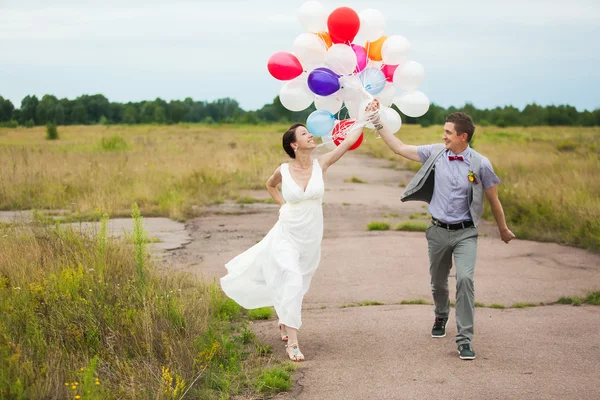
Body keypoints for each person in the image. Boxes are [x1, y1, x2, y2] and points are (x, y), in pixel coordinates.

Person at [369, 101, 515, 360]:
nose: (443, 135)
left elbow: (494, 199)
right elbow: (400, 148)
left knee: (465, 280)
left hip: (465, 233)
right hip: (437, 231)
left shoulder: (481, 164)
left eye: (448, 132)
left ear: (463, 136)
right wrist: (378, 122)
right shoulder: (436, 152)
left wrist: (503, 229)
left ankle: (465, 339)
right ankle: (441, 315)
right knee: (438, 284)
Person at [220, 115, 366, 362]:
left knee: (298, 284)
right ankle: (294, 345)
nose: (310, 135)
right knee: (292, 278)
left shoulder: (322, 164)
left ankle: (285, 321)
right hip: (286, 233)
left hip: (310, 236)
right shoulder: (283, 170)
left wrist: (366, 116)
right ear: (294, 145)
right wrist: (283, 205)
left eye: (309, 132)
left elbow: (347, 142)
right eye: (304, 134)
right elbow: (270, 185)